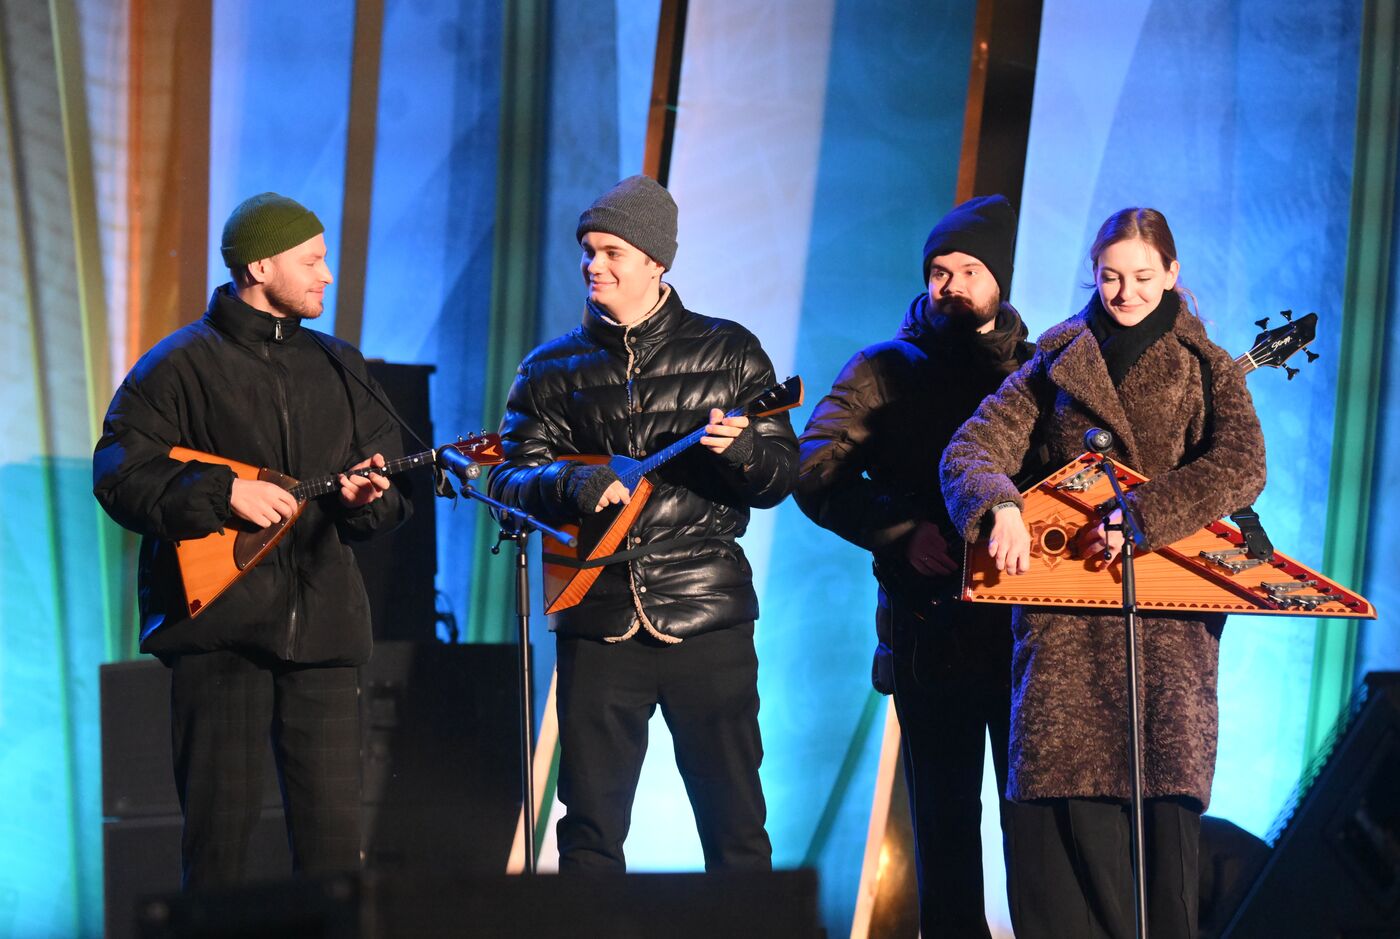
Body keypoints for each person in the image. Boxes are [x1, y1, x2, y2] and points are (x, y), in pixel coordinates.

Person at [940, 207, 1267, 939]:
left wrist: (1150, 512)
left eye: (1143, 277)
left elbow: (1242, 465)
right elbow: (969, 448)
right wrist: (998, 505)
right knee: (1059, 868)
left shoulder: (1207, 366)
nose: (1125, 292)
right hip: (1064, 639)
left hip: (1163, 638)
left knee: (1157, 864)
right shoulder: (1057, 357)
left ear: (1173, 275)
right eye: (1111, 277)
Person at [93, 193, 410, 887]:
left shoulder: (342, 365)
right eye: (313, 260)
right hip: (220, 634)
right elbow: (120, 477)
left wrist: (369, 499)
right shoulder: (175, 365)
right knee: (219, 853)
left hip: (324, 635)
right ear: (260, 265)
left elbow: (390, 496)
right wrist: (224, 493)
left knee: (333, 856)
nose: (328, 275)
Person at [488, 175, 798, 871]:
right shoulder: (548, 369)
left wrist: (743, 450)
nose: (593, 264)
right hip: (597, 619)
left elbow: (782, 475)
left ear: (656, 261)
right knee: (591, 831)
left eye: (611, 251)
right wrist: (570, 482)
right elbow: (506, 476)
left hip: (705, 616)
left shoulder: (730, 352)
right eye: (588, 251)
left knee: (736, 826)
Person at [796, 195, 1033, 938]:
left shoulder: (1042, 371)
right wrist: (896, 529)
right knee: (946, 834)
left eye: (969, 268)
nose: (951, 283)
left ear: (1000, 279)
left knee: (1036, 840)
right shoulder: (881, 367)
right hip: (929, 640)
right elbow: (813, 467)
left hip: (1032, 642)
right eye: (939, 270)